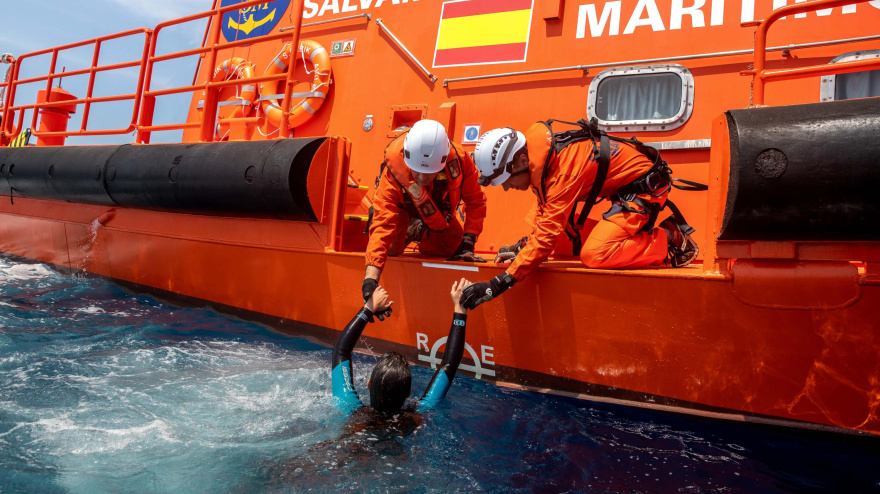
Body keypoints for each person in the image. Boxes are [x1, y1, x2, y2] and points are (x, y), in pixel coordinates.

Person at [460, 122, 700, 309]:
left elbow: (546, 237)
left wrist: (499, 283)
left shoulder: (562, 172)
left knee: (594, 255)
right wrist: (526, 248)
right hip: (623, 190)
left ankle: (671, 237)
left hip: (645, 192)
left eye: (506, 180)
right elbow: (545, 216)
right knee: (539, 220)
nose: (506, 187)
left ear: (522, 160)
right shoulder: (540, 161)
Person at [362, 119, 487, 309]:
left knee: (452, 245)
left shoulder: (460, 160)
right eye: (417, 171)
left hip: (438, 211)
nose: (421, 178)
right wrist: (371, 278)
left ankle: (419, 230)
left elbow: (476, 200)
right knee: (391, 250)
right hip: (402, 209)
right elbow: (382, 223)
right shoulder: (393, 170)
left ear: (443, 161)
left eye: (429, 173)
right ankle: (411, 227)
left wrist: (469, 240)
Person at [332, 279, 472, 416]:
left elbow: (340, 350)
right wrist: (460, 309)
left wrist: (368, 308)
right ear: (409, 393)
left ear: (369, 385)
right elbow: (450, 363)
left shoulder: (350, 409)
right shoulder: (417, 415)